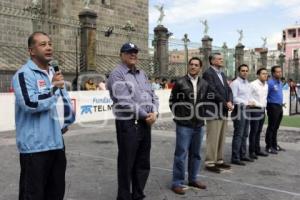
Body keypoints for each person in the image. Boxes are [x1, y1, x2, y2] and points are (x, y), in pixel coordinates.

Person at [12, 31, 75, 200]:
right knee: (33, 195)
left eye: (50, 43)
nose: (48, 47)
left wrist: (65, 120)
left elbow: (62, 101)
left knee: (55, 194)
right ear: (31, 51)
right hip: (35, 148)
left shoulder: (54, 72)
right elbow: (30, 103)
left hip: (56, 145)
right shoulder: (24, 74)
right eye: (43, 44)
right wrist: (53, 88)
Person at [106, 42, 159, 200]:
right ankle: (124, 196)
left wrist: (154, 111)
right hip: (128, 124)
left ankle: (138, 194)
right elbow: (124, 101)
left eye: (135, 52)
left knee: (143, 162)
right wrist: (146, 115)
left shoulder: (142, 73)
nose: (133, 55)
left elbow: (153, 95)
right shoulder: (117, 74)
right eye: (129, 52)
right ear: (121, 55)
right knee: (127, 162)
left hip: (145, 122)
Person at [169, 57, 208, 195]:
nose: (193, 67)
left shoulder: (204, 83)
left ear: (200, 68)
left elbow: (206, 101)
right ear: (188, 66)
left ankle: (193, 179)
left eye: (196, 65)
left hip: (199, 124)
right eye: (191, 64)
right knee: (181, 154)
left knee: (196, 154)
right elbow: (172, 101)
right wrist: (180, 116)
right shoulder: (180, 82)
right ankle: (177, 182)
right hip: (184, 125)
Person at [202, 52, 233, 173]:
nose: (222, 60)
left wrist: (230, 100)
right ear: (212, 61)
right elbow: (212, 91)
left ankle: (219, 160)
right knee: (213, 137)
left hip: (223, 110)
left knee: (221, 136)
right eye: (219, 59)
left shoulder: (222, 74)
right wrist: (226, 103)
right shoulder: (208, 73)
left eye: (222, 59)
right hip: (213, 110)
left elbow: (228, 89)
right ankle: (210, 162)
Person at [230, 64, 255, 165]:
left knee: (245, 134)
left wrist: (251, 102)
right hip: (239, 110)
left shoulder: (247, 83)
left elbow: (248, 96)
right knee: (239, 134)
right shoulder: (235, 83)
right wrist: (246, 102)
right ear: (239, 72)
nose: (245, 72)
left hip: (247, 109)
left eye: (246, 70)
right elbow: (234, 98)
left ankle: (243, 155)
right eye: (243, 70)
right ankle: (235, 157)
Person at [248, 68, 269, 159]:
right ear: (258, 75)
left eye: (266, 74)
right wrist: (255, 104)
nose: (265, 75)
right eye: (263, 73)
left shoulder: (266, 85)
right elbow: (248, 96)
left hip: (262, 110)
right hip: (254, 109)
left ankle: (257, 149)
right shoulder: (252, 84)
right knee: (254, 131)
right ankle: (251, 151)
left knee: (259, 131)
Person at [265, 66, 285, 154]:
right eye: (277, 72)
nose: (280, 73)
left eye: (280, 72)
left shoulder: (280, 82)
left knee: (276, 127)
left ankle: (274, 145)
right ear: (273, 73)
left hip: (279, 106)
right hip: (272, 106)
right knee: (271, 127)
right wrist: (269, 105)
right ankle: (268, 146)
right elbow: (266, 95)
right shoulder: (270, 83)